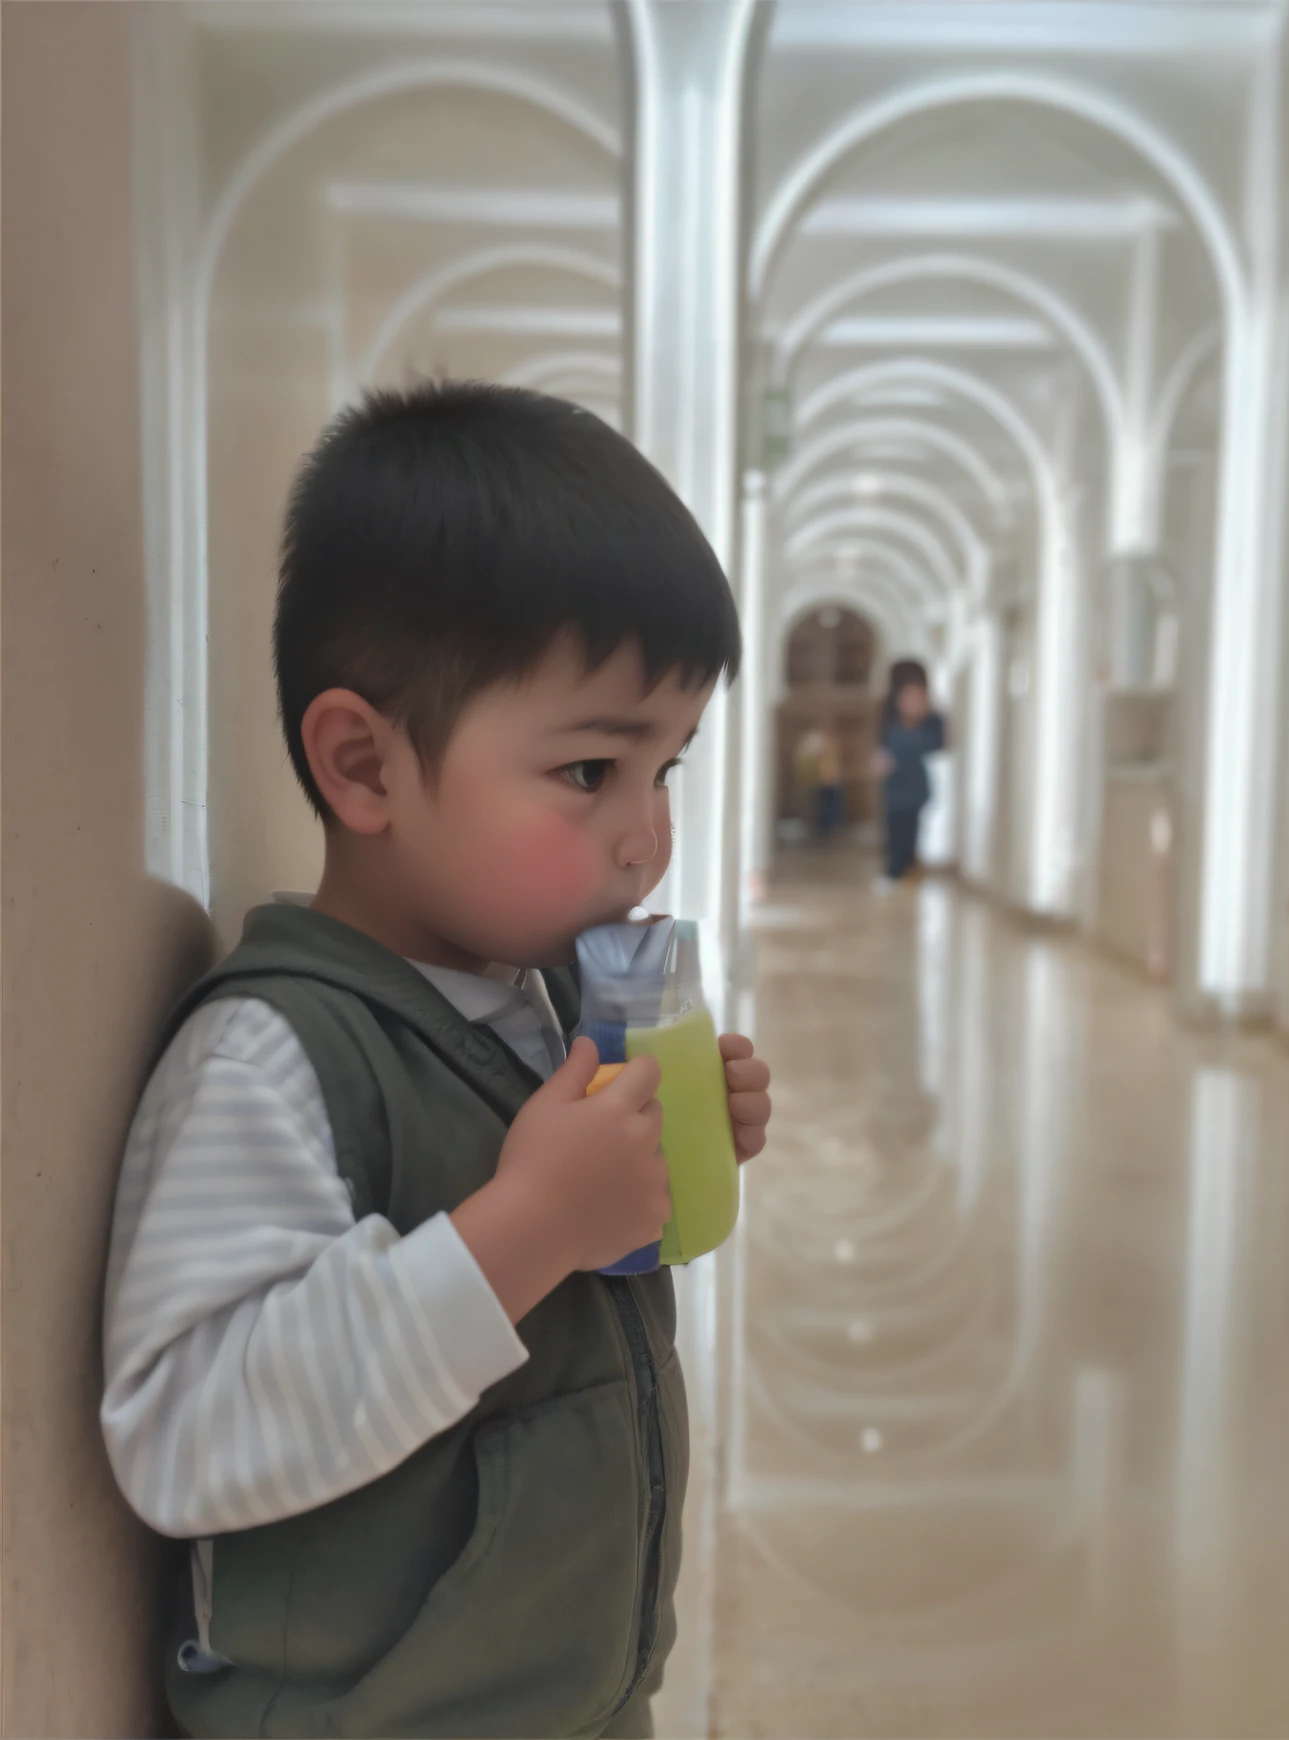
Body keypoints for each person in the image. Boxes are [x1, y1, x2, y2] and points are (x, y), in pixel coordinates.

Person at [100, 382, 774, 1740]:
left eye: (669, 768)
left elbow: (590, 1279)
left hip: (571, 1694)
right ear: (365, 768)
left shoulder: (539, 999)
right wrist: (523, 1226)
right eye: (591, 770)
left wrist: (663, 1166)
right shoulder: (272, 1054)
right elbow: (184, 1428)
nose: (647, 837)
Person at [873, 659, 945, 887]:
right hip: (895, 786)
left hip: (914, 787)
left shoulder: (930, 723)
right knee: (894, 828)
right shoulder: (891, 722)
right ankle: (895, 870)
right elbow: (885, 749)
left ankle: (904, 869)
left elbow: (935, 745)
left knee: (910, 829)